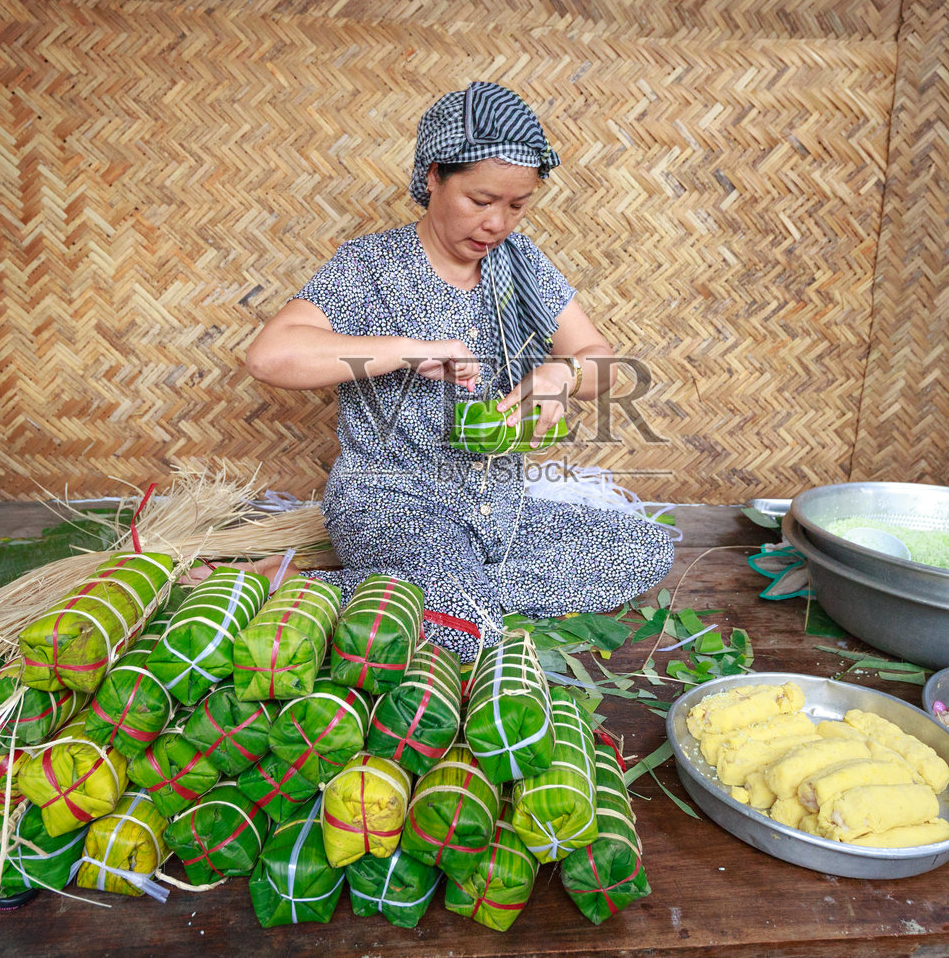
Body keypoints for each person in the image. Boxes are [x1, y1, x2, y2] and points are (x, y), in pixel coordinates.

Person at [244, 81, 674, 660]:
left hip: (498, 509)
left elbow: (601, 362)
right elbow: (270, 355)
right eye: (480, 199)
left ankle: (395, 593)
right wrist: (409, 348)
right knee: (463, 628)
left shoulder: (521, 265)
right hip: (390, 501)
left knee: (644, 549)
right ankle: (355, 589)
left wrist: (560, 377)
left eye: (516, 206)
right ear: (433, 177)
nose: (497, 223)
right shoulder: (372, 265)